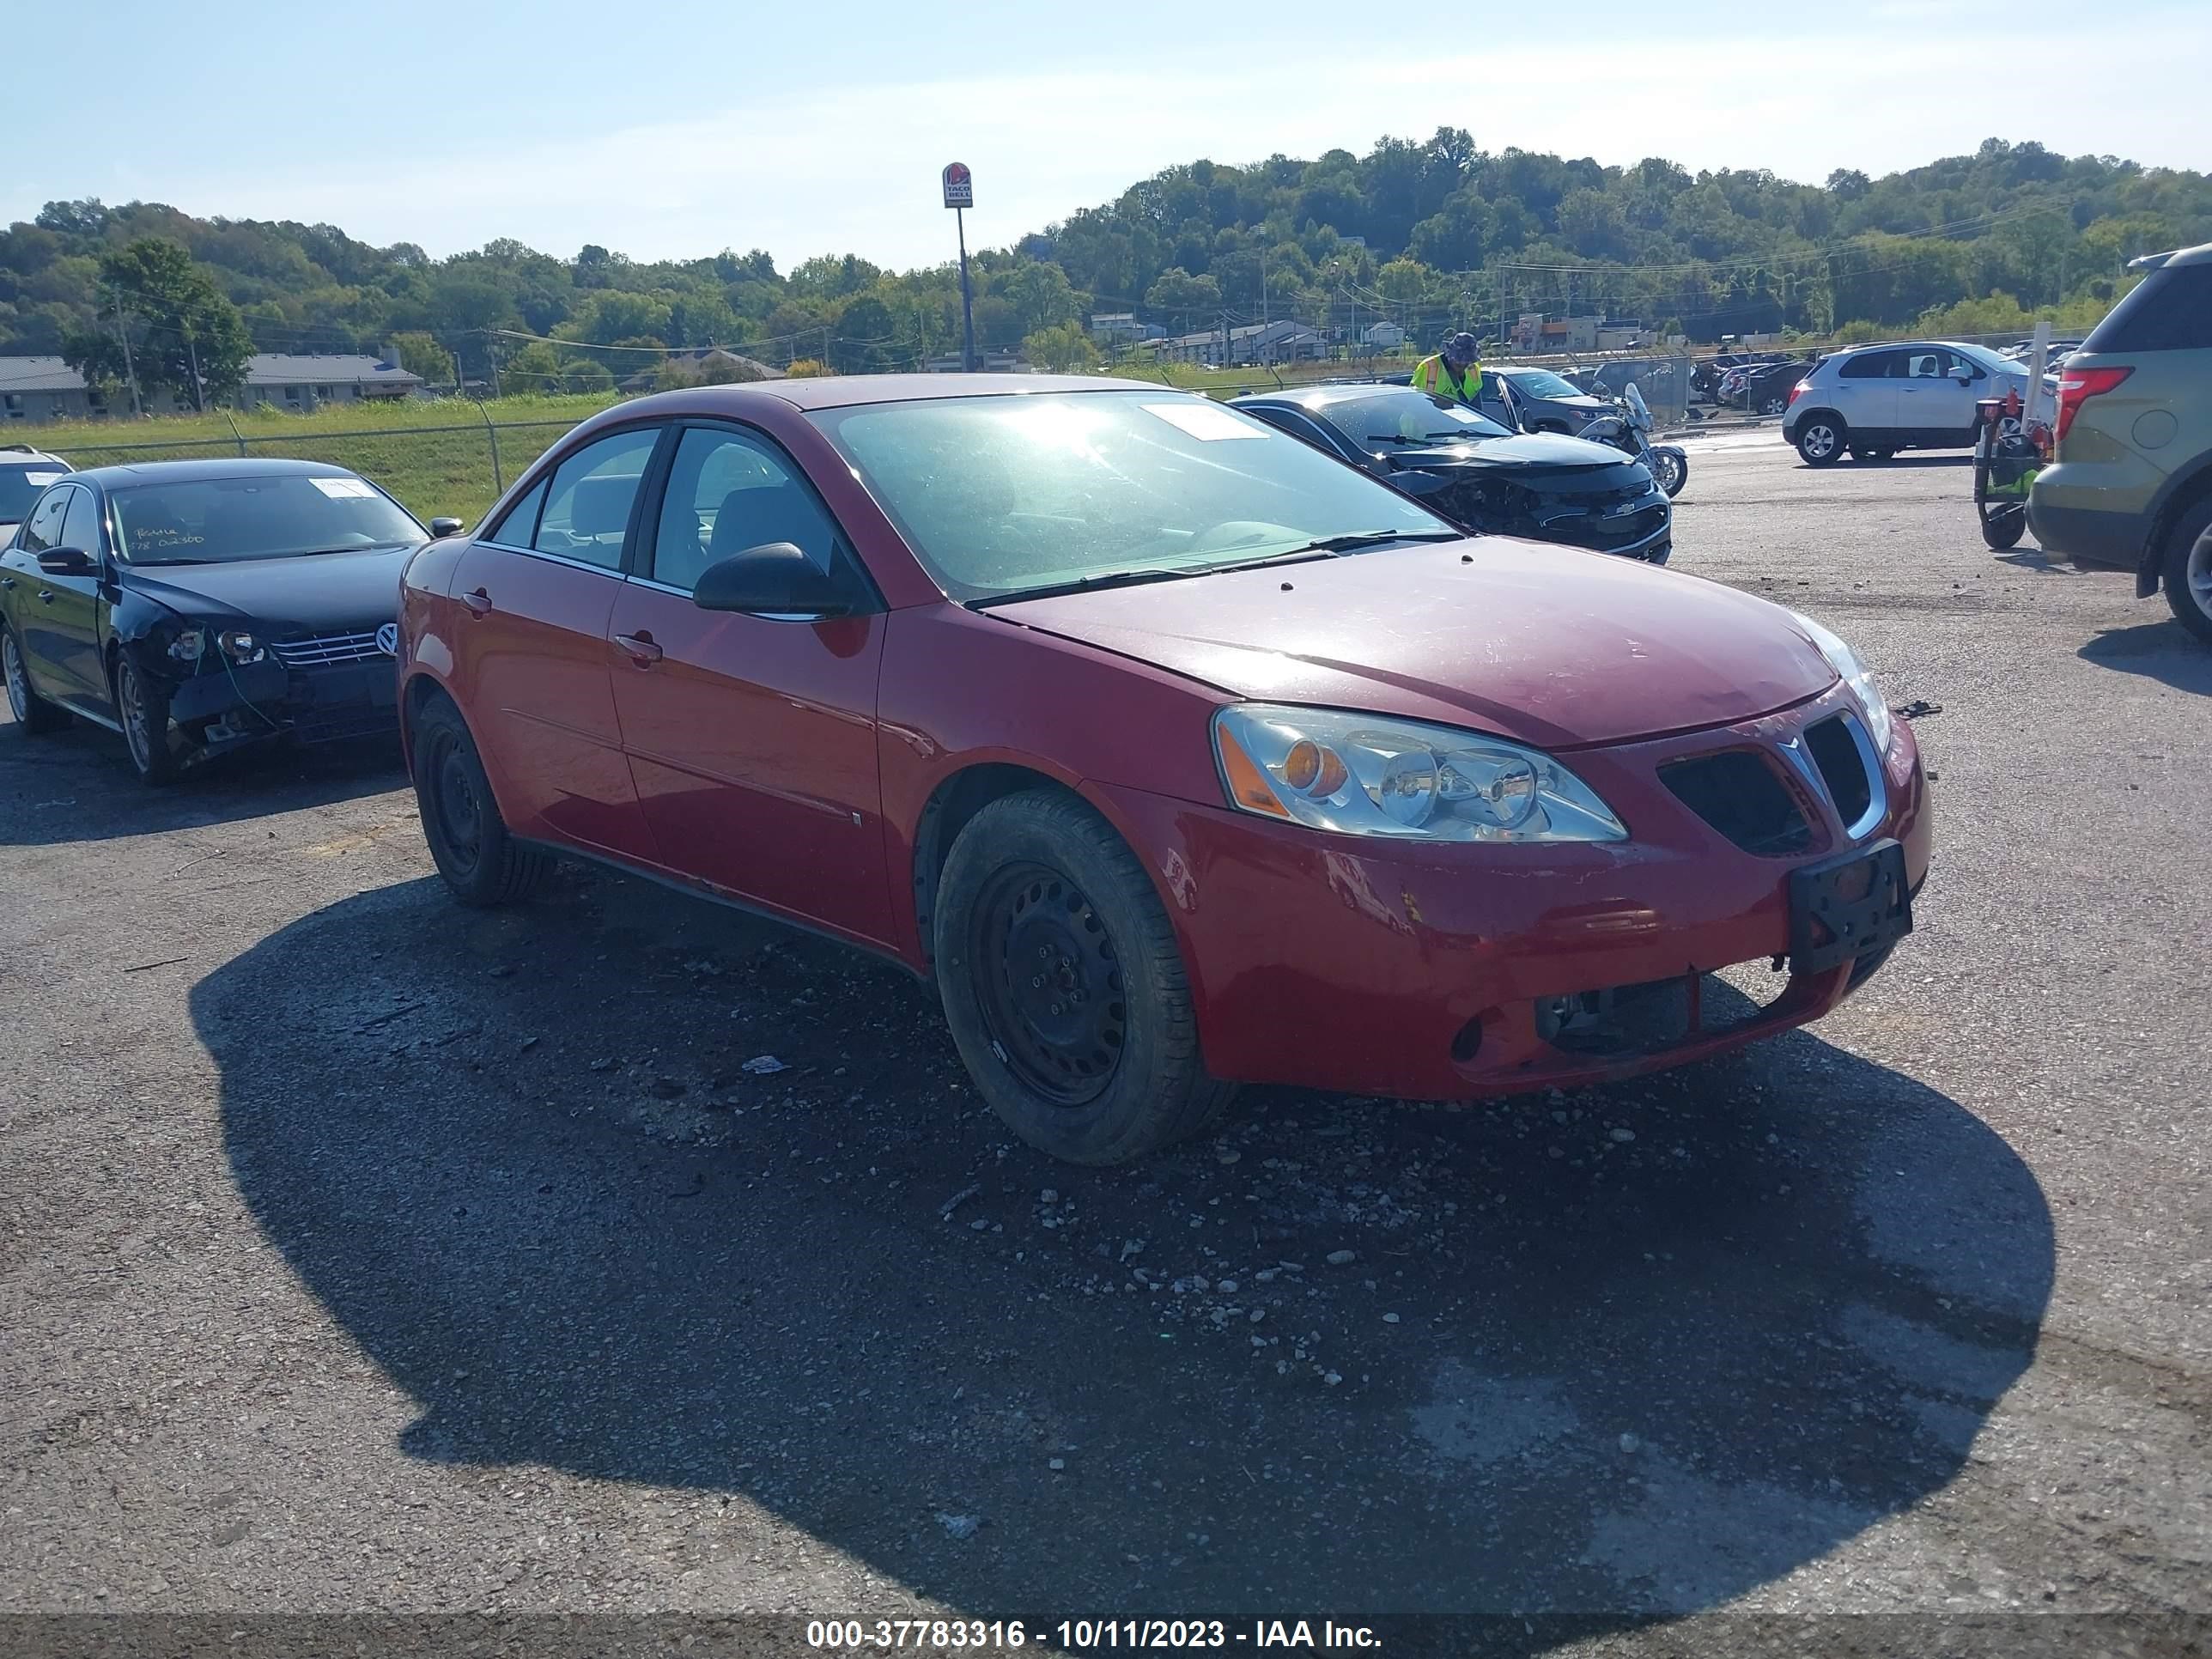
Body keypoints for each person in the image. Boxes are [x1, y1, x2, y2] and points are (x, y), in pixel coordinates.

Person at [1410, 331, 1487, 404]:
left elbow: (1477, 405)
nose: (1463, 363)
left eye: (1467, 360)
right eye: (1459, 360)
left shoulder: (1474, 368)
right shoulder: (1428, 367)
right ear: (1449, 354)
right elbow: (1412, 401)